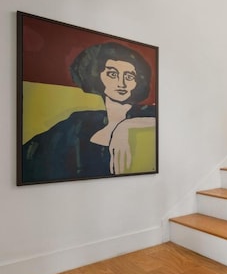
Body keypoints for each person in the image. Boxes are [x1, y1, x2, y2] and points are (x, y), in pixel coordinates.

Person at [21, 42, 156, 183]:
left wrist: (127, 126)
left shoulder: (148, 113)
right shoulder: (81, 122)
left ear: (137, 82)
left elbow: (166, 120)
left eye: (129, 76)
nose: (121, 83)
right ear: (97, 75)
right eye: (112, 74)